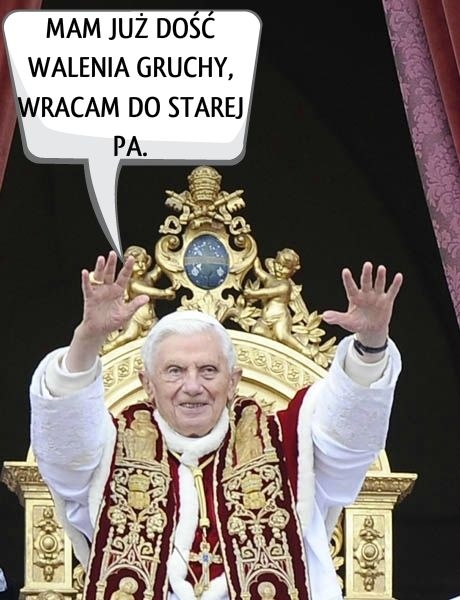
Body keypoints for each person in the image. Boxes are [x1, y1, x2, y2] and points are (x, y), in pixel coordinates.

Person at [30, 250, 403, 600]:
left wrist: (370, 346)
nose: (193, 386)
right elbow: (64, 451)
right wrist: (87, 339)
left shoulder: (287, 444)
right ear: (147, 384)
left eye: (208, 370)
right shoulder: (111, 450)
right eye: (174, 371)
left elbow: (348, 435)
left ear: (233, 382)